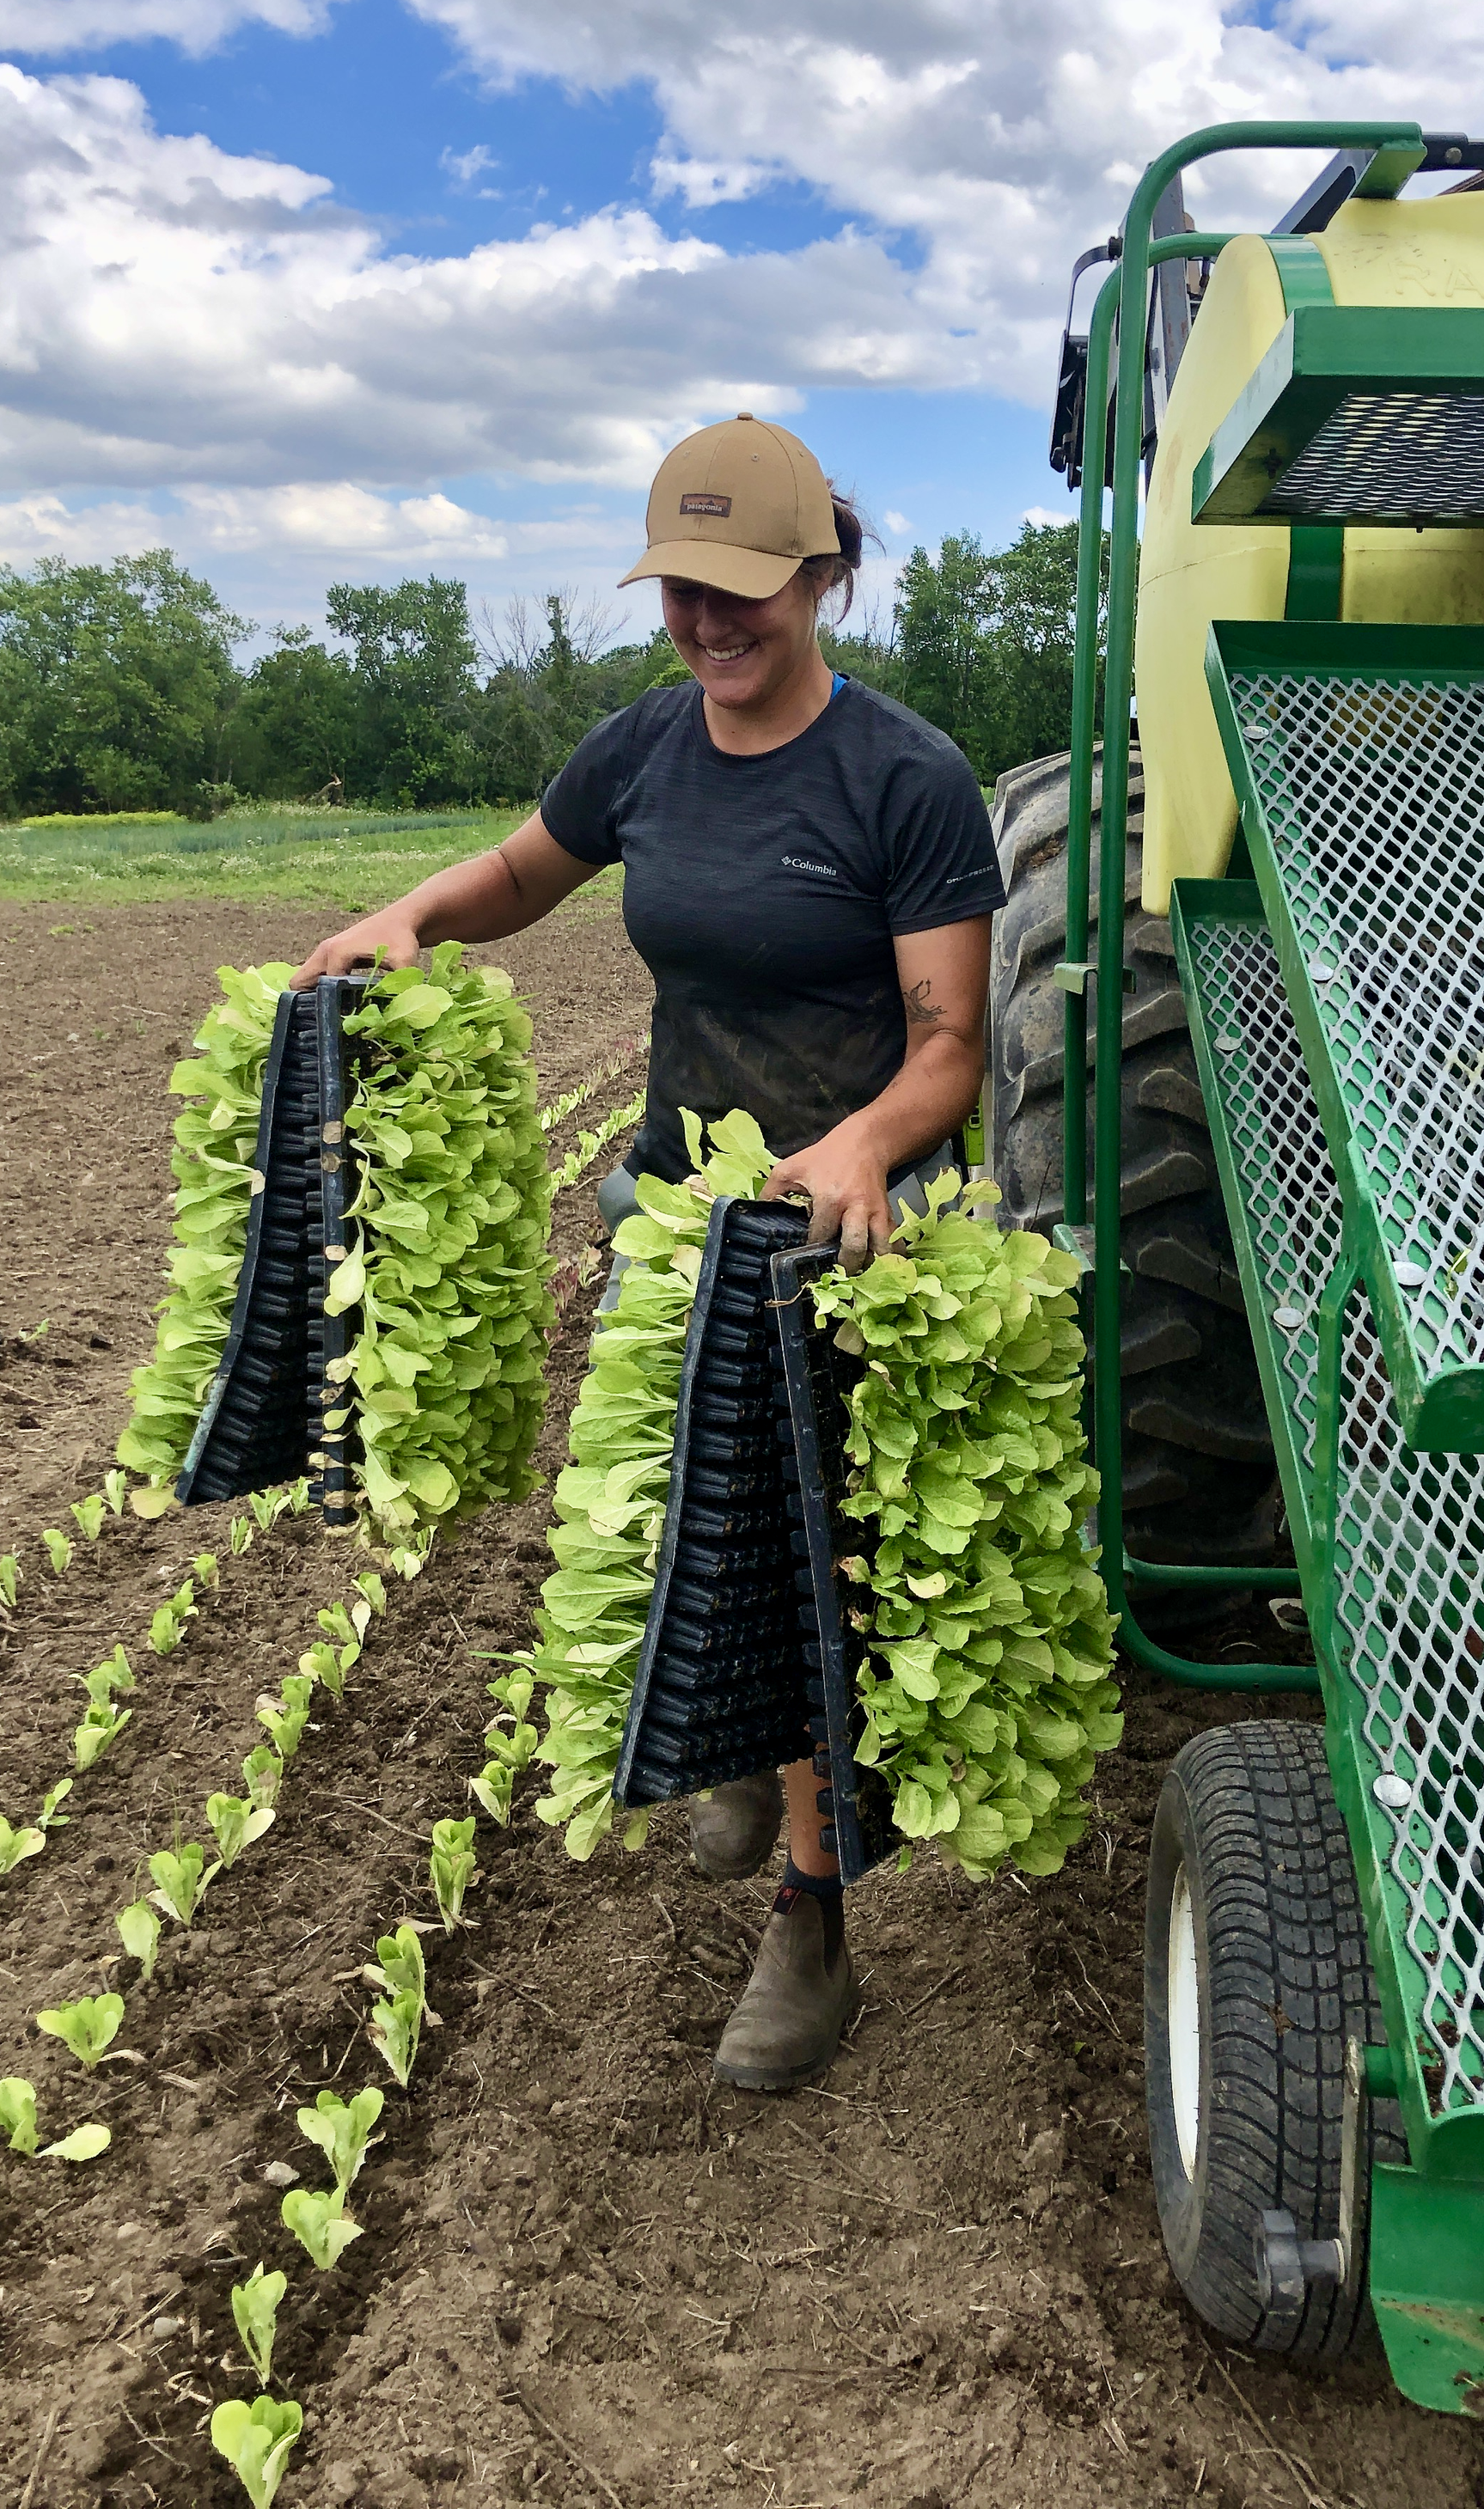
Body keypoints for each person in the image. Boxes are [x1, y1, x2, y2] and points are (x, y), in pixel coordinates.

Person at [293, 412, 1005, 2088]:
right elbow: (520, 873)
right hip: (673, 1215)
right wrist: (410, 917)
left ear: (819, 575)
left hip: (843, 1237)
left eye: (740, 589)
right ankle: (736, 1750)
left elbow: (949, 1047)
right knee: (684, 1510)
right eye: (680, 589)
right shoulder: (642, 751)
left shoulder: (902, 778)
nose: (706, 623)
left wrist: (861, 1142)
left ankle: (811, 1921)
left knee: (821, 1581)